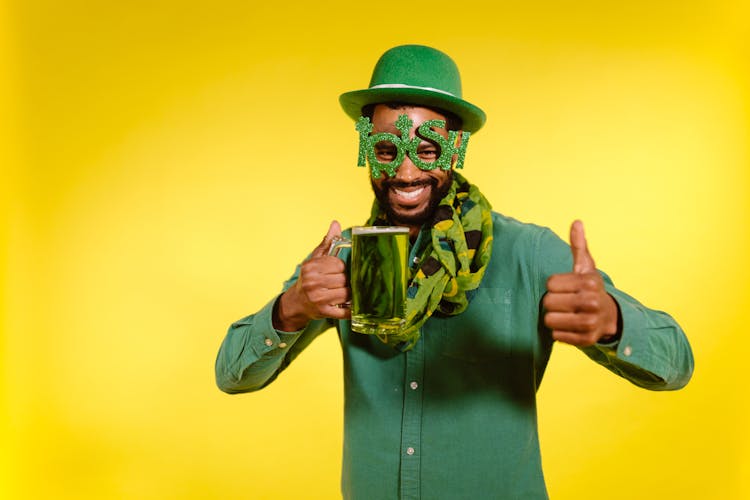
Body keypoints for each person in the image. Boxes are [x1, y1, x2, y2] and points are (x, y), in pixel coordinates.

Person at [215, 45, 693, 499]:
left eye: (426, 150)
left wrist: (612, 322)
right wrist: (290, 309)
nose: (404, 174)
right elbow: (232, 375)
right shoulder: (341, 261)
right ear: (367, 149)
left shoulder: (527, 254)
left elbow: (675, 364)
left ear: (455, 148)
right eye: (386, 150)